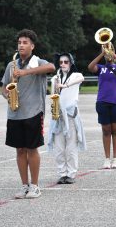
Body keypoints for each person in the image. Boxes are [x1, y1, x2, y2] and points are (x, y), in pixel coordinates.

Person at [1, 29, 55, 198]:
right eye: (19, 43)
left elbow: (52, 67)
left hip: (33, 112)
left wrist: (25, 72)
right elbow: (4, 87)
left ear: (32, 46)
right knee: (19, 150)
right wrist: (7, 95)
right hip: (15, 113)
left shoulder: (38, 61)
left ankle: (35, 186)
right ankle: (24, 185)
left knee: (32, 149)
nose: (21, 45)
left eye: (25, 43)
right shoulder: (12, 64)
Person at [47, 53, 86, 184]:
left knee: (71, 147)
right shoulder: (55, 78)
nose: (63, 64)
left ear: (71, 63)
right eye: (61, 62)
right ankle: (62, 174)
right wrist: (56, 85)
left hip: (70, 115)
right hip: (58, 115)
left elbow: (82, 78)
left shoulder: (75, 75)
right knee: (59, 148)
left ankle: (71, 174)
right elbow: (53, 94)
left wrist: (65, 85)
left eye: (66, 62)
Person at [88, 44, 116, 169]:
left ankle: (115, 159)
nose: (108, 51)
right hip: (102, 102)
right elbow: (90, 67)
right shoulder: (100, 67)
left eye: (110, 49)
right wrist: (102, 54)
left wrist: (113, 54)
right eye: (106, 49)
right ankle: (106, 159)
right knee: (106, 131)